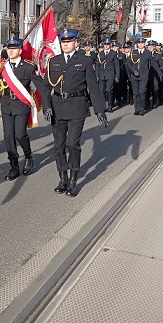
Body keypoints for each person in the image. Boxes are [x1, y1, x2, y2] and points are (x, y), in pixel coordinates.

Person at [42, 29, 108, 197]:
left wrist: (100, 110)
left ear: (76, 43)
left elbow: (93, 87)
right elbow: (46, 87)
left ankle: (73, 178)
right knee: (59, 145)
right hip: (57, 107)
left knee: (73, 144)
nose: (66, 44)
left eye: (69, 41)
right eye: (63, 41)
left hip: (77, 106)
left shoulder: (84, 61)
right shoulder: (53, 62)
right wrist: (47, 106)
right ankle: (62, 177)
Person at [0, 38, 48, 180]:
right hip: (7, 104)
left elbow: (41, 86)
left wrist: (48, 104)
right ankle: (14, 165)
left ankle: (28, 156)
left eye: (14, 48)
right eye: (9, 48)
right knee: (8, 137)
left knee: (20, 135)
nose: (11, 50)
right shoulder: (3, 66)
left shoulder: (29, 67)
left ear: (20, 50)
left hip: (21, 104)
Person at [124, 37, 161, 116]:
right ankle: (136, 109)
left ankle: (141, 108)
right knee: (135, 93)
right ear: (137, 44)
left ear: (144, 44)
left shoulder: (147, 53)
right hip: (134, 75)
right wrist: (133, 71)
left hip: (143, 75)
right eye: (139, 43)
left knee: (142, 92)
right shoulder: (134, 52)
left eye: (142, 43)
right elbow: (128, 63)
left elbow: (154, 63)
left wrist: (160, 74)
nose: (140, 45)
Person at [95, 38, 119, 112]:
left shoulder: (113, 53)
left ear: (110, 45)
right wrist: (97, 75)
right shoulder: (100, 53)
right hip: (102, 75)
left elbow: (116, 65)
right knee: (101, 91)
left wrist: (117, 76)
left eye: (108, 45)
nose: (106, 46)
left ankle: (110, 106)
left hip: (110, 74)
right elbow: (97, 66)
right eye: (105, 45)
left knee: (109, 90)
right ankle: (103, 106)